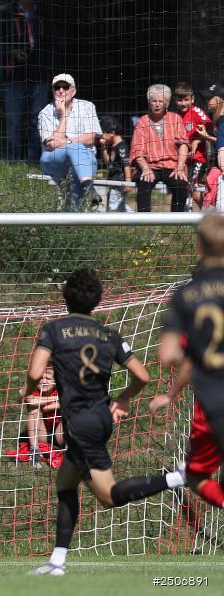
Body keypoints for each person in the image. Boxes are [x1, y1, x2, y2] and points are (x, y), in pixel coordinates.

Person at [23, 268, 185, 576]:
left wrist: (27, 391)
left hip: (81, 422)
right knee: (65, 483)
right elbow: (143, 376)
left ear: (65, 297)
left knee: (109, 496)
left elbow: (34, 373)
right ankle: (57, 561)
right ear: (98, 300)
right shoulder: (109, 334)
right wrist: (123, 399)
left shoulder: (53, 330)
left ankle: (176, 478)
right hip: (98, 417)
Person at [151, 213, 224, 510]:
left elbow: (169, 355)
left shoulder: (186, 296)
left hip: (212, 407)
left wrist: (169, 395)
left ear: (199, 246)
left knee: (195, 476)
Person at [0, 0, 55, 161]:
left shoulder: (44, 13)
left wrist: (48, 69)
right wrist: (11, 52)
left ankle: (38, 160)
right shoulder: (5, 12)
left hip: (39, 75)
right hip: (13, 76)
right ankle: (13, 160)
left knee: (37, 119)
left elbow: (52, 43)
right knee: (14, 121)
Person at [37, 74, 102, 211]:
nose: (61, 90)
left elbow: (91, 138)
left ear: (74, 91)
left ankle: (72, 222)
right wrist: (64, 114)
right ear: (53, 90)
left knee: (76, 160)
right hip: (55, 161)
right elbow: (52, 145)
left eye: (65, 87)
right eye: (57, 87)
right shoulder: (45, 113)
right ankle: (89, 188)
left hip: (85, 160)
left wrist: (67, 142)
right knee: (76, 149)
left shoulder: (87, 107)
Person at [130, 84, 189, 212]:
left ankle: (176, 221)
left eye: (160, 101)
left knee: (181, 184)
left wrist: (180, 167)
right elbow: (137, 150)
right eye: (154, 101)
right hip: (150, 166)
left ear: (166, 103)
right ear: (149, 103)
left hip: (172, 166)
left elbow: (184, 144)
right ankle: (144, 222)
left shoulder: (176, 119)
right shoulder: (142, 122)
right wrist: (145, 168)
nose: (157, 104)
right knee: (144, 182)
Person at [174, 82, 214, 212]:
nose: (183, 103)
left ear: (192, 99)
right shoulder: (174, 116)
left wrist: (197, 141)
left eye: (186, 100)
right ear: (175, 100)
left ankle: (205, 214)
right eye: (180, 100)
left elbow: (208, 127)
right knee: (188, 188)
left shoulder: (197, 112)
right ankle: (198, 213)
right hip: (182, 159)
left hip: (198, 158)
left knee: (192, 185)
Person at [97, 115, 133, 212]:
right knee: (120, 206)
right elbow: (108, 162)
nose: (102, 136)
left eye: (103, 133)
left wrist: (128, 182)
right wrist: (103, 148)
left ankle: (136, 218)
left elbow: (126, 165)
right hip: (113, 181)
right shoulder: (114, 146)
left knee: (112, 208)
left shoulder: (121, 147)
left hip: (119, 182)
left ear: (112, 133)